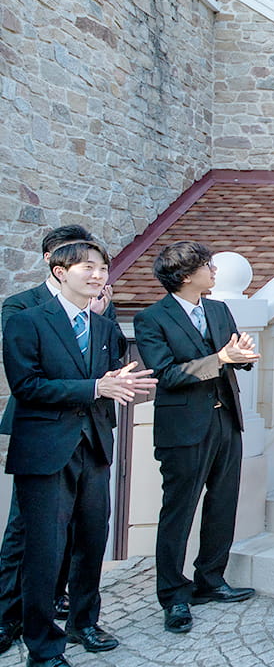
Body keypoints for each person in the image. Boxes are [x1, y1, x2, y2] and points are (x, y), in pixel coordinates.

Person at [4, 241, 157, 665]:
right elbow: (27, 386)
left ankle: (84, 622)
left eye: (102, 268)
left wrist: (122, 385)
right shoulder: (26, 322)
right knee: (45, 550)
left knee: (92, 542)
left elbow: (109, 383)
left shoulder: (105, 328)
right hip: (46, 450)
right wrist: (95, 387)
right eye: (87, 267)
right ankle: (42, 648)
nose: (97, 275)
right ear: (59, 272)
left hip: (94, 445)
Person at [132, 242, 259, 635]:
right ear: (186, 275)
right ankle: (173, 595)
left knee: (223, 503)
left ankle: (211, 579)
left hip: (226, 419)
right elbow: (167, 374)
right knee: (179, 511)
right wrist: (220, 359)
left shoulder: (218, 310)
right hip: (183, 428)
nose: (214, 270)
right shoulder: (151, 319)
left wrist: (242, 356)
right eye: (207, 265)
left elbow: (233, 355)